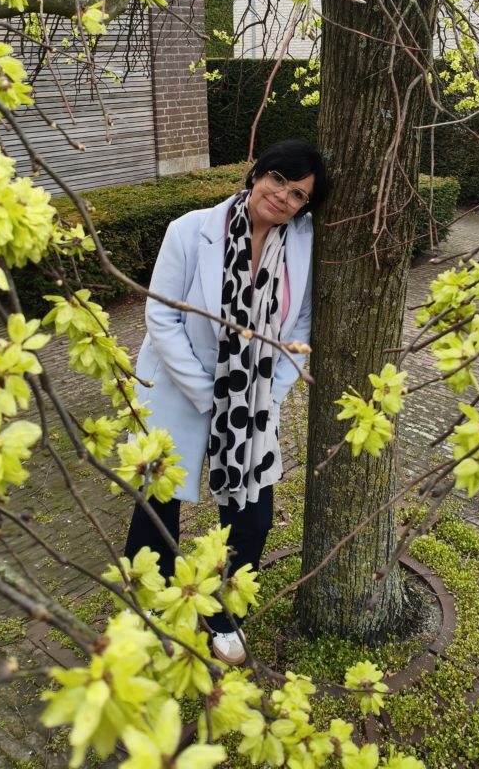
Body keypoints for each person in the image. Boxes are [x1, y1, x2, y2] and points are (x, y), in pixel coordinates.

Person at [124, 139, 327, 665]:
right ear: (256, 175)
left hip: (253, 402)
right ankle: (148, 605)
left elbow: (301, 324)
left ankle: (223, 611)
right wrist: (208, 395)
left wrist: (272, 393)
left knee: (252, 515)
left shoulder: (301, 244)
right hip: (177, 389)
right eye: (278, 179)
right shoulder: (190, 230)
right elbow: (161, 317)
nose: (283, 196)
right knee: (157, 505)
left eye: (298, 193)